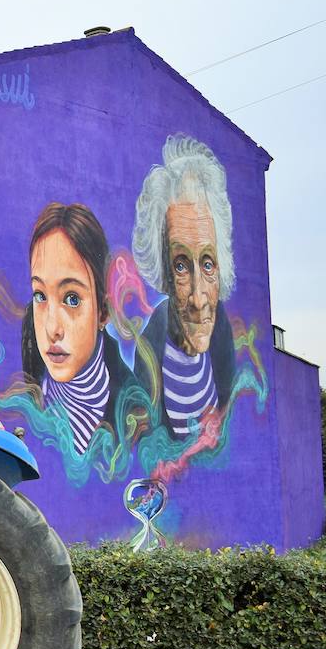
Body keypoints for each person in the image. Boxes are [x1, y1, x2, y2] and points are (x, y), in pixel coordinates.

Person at [130, 135, 236, 438]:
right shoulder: (147, 357)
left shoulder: (225, 336)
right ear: (162, 270)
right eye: (180, 265)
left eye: (207, 263)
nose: (198, 298)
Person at [21, 202, 140, 454]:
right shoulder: (24, 396)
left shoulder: (134, 418)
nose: (52, 328)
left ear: (103, 311)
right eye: (40, 296)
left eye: (72, 299)